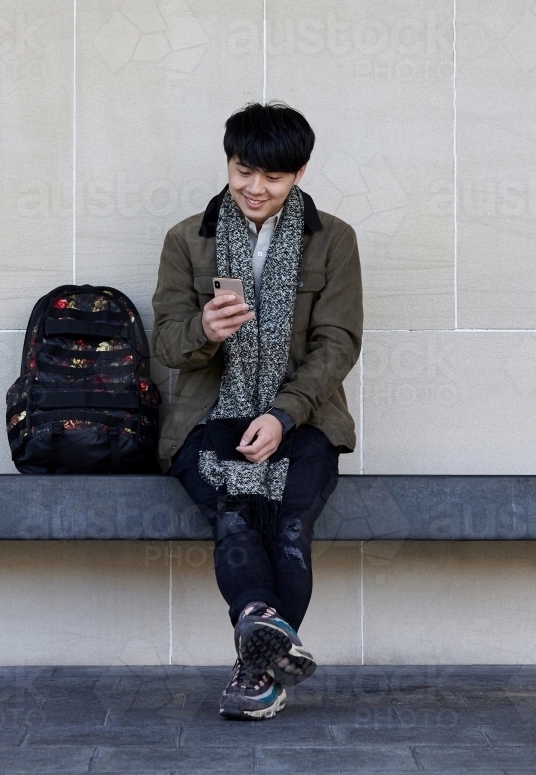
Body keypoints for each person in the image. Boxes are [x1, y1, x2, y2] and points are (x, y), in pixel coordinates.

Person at [152, 102, 363, 720]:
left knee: (288, 523)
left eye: (272, 176)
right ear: (228, 163)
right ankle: (262, 638)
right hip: (208, 417)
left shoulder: (335, 240)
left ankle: (254, 664)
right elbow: (166, 342)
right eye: (244, 170)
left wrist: (284, 414)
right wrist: (204, 330)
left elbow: (338, 342)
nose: (254, 188)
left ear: (298, 174)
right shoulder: (188, 238)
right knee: (236, 517)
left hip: (303, 418)